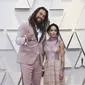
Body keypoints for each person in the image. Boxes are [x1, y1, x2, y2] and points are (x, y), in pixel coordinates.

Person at [16, 7, 49, 85]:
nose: (41, 16)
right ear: (36, 13)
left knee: (36, 83)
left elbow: (42, 45)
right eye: (40, 14)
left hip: (38, 62)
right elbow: (17, 40)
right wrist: (26, 38)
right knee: (27, 83)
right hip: (26, 61)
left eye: (44, 16)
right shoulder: (25, 25)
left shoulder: (43, 30)